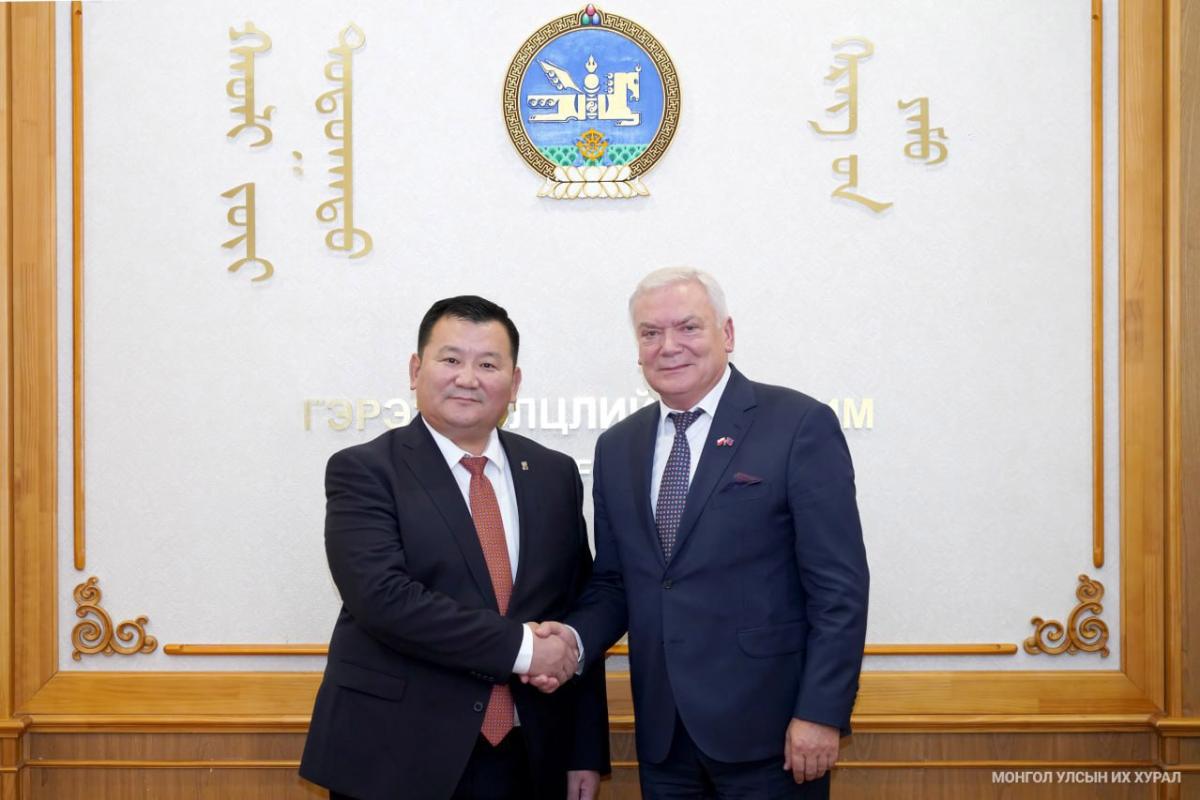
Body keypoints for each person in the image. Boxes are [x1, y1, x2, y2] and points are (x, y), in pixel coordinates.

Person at [535, 267, 869, 799]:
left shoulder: (798, 424)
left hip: (774, 735)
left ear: (727, 334)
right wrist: (571, 642)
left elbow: (839, 588)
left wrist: (821, 712)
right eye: (650, 333)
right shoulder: (618, 447)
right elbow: (617, 583)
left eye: (688, 327)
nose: (669, 346)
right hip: (665, 738)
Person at [300, 296, 609, 800]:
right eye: (450, 359)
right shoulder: (365, 470)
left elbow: (575, 606)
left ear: (514, 382)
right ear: (415, 370)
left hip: (530, 754)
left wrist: (585, 751)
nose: (468, 378)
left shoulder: (553, 474)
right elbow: (383, 598)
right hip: (395, 754)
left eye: (488, 364)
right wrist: (527, 650)